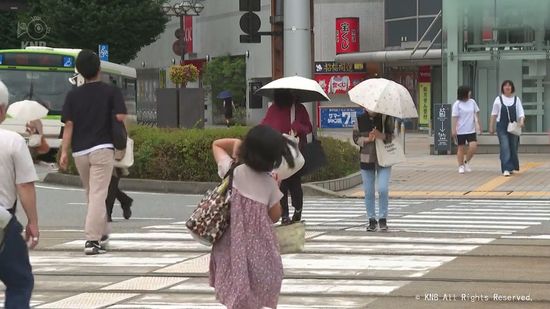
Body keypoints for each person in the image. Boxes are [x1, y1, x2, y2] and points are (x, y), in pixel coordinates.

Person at [210, 125, 293, 309]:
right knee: (256, 294)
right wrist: (276, 187)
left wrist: (236, 144)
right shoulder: (270, 183)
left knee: (236, 294)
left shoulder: (233, 171)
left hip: (232, 248)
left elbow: (216, 145)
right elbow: (274, 216)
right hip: (260, 251)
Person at [59, 50, 127, 255]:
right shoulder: (111, 92)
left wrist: (63, 152)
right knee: (98, 194)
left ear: (79, 71)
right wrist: (123, 146)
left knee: (92, 193)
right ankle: (92, 240)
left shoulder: (73, 95)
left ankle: (103, 231)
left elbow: (68, 125)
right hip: (102, 148)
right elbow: (121, 118)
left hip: (79, 152)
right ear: (99, 68)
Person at [0, 80, 40, 308]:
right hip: (2, 223)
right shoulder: (13, 141)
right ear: (2, 110)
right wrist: (33, 222)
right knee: (20, 282)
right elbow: (25, 186)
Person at [261, 90, 313, 225]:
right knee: (283, 184)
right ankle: (286, 214)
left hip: (293, 153)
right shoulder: (274, 109)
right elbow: (265, 126)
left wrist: (297, 127)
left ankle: (295, 210)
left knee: (291, 184)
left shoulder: (298, 109)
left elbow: (308, 128)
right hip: (280, 153)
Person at [352, 109, 394, 232]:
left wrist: (381, 135)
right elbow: (355, 138)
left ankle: (382, 219)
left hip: (384, 159)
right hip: (366, 158)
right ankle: (371, 220)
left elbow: (392, 137)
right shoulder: (359, 119)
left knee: (383, 188)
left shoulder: (386, 118)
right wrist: (367, 139)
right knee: (369, 191)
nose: (372, 108)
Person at [489, 80, 525, 177]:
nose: (507, 87)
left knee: (513, 147)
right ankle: (505, 168)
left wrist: (521, 121)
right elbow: (494, 114)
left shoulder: (516, 99)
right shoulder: (498, 99)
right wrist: (491, 127)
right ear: (503, 88)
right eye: (505, 85)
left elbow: (521, 112)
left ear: (512, 88)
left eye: (509, 85)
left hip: (513, 126)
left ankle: (511, 167)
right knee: (505, 146)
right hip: (502, 126)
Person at [451, 85, 481, 174]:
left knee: (473, 146)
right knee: (461, 148)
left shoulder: (472, 102)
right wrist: (453, 130)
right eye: (468, 92)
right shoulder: (457, 104)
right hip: (460, 130)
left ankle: (466, 161)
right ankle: (460, 165)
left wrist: (479, 125)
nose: (470, 93)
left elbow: (476, 113)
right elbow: (454, 117)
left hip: (471, 129)